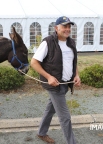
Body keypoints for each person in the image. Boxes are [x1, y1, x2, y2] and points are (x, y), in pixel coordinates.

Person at [30, 16, 81, 144]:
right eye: (64, 26)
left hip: (65, 84)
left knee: (50, 109)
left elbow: (73, 62)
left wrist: (76, 75)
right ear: (56, 28)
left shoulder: (71, 42)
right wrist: (48, 77)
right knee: (65, 117)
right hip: (54, 85)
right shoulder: (48, 42)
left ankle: (41, 133)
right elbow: (34, 62)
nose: (67, 29)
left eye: (69, 27)